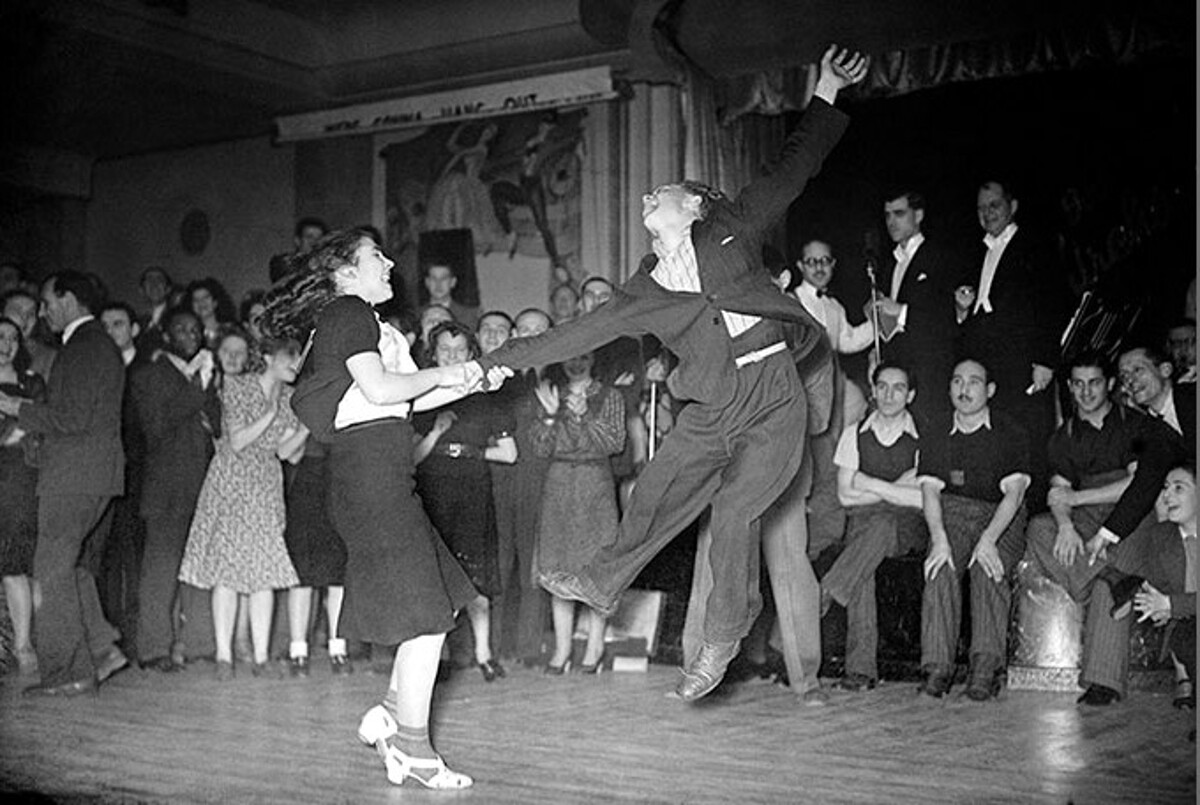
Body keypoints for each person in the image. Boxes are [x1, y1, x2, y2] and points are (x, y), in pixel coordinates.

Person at [478, 45, 867, 701]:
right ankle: (602, 579)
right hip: (713, 407)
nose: (647, 196)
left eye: (663, 192)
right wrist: (494, 363)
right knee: (654, 485)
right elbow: (573, 332)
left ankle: (720, 641)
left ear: (694, 208)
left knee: (738, 506)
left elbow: (793, 169)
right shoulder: (641, 291)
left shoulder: (733, 228)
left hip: (773, 397)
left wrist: (826, 89)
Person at [259, 229, 509, 789]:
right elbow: (377, 390)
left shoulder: (365, 322)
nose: (390, 261)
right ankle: (413, 748)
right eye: (377, 255)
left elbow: (406, 399)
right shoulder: (348, 310)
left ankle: (389, 717)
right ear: (345, 271)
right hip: (370, 477)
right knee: (426, 620)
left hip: (382, 472)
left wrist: (471, 379)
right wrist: (448, 372)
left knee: (439, 604)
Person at [1023, 351, 1183, 705]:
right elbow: (1057, 492)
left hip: (1133, 514)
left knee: (1107, 584)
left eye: (1094, 382)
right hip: (1085, 516)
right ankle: (1112, 576)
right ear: (1069, 386)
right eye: (1078, 384)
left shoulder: (1134, 424)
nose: (1086, 391)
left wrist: (1077, 500)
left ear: (1109, 384)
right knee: (1039, 529)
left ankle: (1102, 683)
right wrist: (1064, 525)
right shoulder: (1062, 437)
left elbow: (1137, 484)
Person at [0, 271, 129, 696]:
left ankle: (68, 671)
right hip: (91, 473)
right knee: (67, 565)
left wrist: (16, 406)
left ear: (69, 300)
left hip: (75, 474)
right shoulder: (92, 345)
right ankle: (102, 648)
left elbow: (70, 418)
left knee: (50, 568)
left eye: (48, 301)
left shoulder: (83, 346)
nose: (43, 311)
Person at [177, 335, 308, 679]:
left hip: (266, 483)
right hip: (231, 481)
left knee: (265, 569)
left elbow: (286, 452)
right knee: (227, 570)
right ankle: (224, 656)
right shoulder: (238, 386)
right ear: (267, 357)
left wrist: (305, 428)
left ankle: (261, 657)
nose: (295, 365)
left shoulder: (293, 398)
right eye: (289, 358)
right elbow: (237, 440)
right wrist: (273, 411)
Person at [916, 358, 1030, 701]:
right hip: (954, 511)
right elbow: (929, 492)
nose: (964, 390)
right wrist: (938, 541)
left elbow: (1014, 494)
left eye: (974, 382)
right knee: (940, 566)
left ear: (990, 390)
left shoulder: (1011, 432)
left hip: (1002, 514)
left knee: (987, 568)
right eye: (957, 381)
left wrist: (988, 540)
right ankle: (937, 667)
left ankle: (985, 667)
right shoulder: (936, 430)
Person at [957, 180, 1072, 512]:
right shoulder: (977, 250)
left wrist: (1045, 360)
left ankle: (1035, 518)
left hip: (1025, 363)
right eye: (981, 208)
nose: (987, 213)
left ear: (1013, 206)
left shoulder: (1037, 245)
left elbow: (1055, 302)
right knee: (997, 439)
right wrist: (962, 309)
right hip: (988, 364)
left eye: (994, 205)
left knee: (1031, 441)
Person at [413, 321, 517, 682]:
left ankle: (484, 654)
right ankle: (437, 658)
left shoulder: (487, 398)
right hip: (433, 492)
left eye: (460, 350)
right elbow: (412, 458)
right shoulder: (420, 397)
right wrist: (438, 433)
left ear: (472, 354)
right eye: (445, 350)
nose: (453, 356)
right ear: (433, 353)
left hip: (473, 489)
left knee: (477, 580)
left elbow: (509, 454)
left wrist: (470, 452)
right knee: (436, 579)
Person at [822, 362, 926, 691]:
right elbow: (844, 495)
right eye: (882, 386)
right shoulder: (855, 433)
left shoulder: (923, 436)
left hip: (906, 526)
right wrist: (897, 486)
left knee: (880, 527)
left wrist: (868, 482)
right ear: (873, 389)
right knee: (863, 563)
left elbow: (922, 500)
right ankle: (860, 671)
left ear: (910, 395)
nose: (888, 395)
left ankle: (825, 592)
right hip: (863, 521)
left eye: (898, 388)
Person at [131, 307, 221, 671]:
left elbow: (217, 425)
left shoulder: (205, 376)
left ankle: (200, 644)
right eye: (182, 330)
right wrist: (199, 390)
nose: (191, 335)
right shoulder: (149, 375)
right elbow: (157, 426)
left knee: (199, 570)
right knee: (160, 573)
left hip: (203, 487)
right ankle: (154, 650)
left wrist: (207, 392)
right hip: (166, 491)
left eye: (196, 330)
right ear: (167, 335)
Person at [531, 350, 625, 674]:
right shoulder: (549, 392)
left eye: (583, 355)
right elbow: (540, 447)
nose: (576, 362)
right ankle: (562, 650)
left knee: (594, 568)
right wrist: (547, 416)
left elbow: (614, 442)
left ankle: (594, 647)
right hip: (558, 487)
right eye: (569, 356)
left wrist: (585, 415)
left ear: (594, 358)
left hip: (594, 485)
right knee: (559, 566)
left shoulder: (610, 396)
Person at [491, 307, 555, 664]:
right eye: (524, 329)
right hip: (501, 482)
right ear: (513, 334)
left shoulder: (561, 376)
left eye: (539, 330)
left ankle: (530, 648)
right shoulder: (500, 379)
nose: (530, 335)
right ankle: (498, 647)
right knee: (500, 566)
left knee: (534, 568)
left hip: (541, 483)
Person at [872, 191, 962, 430]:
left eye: (899, 214)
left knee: (931, 440)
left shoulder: (940, 256)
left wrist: (901, 311)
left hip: (930, 373)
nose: (892, 221)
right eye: (887, 215)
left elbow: (947, 320)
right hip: (898, 370)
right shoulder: (889, 263)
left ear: (919, 215)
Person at [0, 316, 46, 676]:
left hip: (22, 485)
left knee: (21, 564)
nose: (6, 343)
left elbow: (42, 425)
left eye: (13, 337)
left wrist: (19, 427)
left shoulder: (32, 384)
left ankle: (26, 643)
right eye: (0, 336)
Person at [186, 278, 238, 350]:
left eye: (205, 298)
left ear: (215, 301)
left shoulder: (231, 330)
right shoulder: (190, 335)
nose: (201, 303)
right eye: (196, 300)